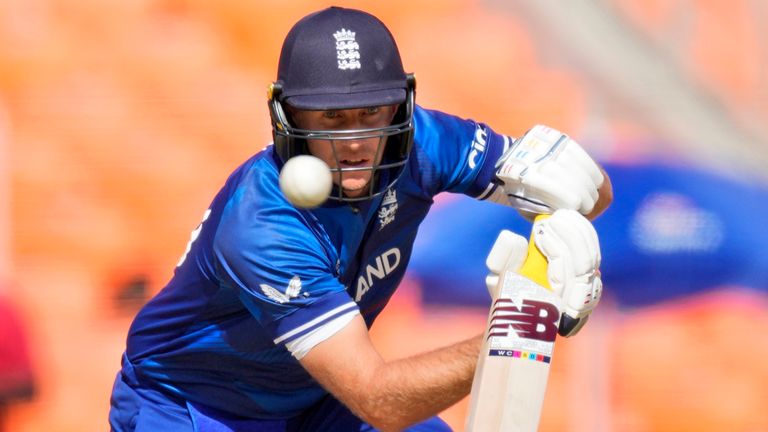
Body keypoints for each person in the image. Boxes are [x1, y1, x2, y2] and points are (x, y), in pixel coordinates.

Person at [109, 6, 612, 432]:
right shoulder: (263, 223)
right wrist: (523, 326)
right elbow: (377, 398)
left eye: (371, 112)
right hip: (193, 408)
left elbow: (592, 195)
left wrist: (571, 187)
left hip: (315, 398)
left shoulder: (425, 143)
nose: (354, 141)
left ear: (401, 103)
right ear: (289, 116)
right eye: (331, 117)